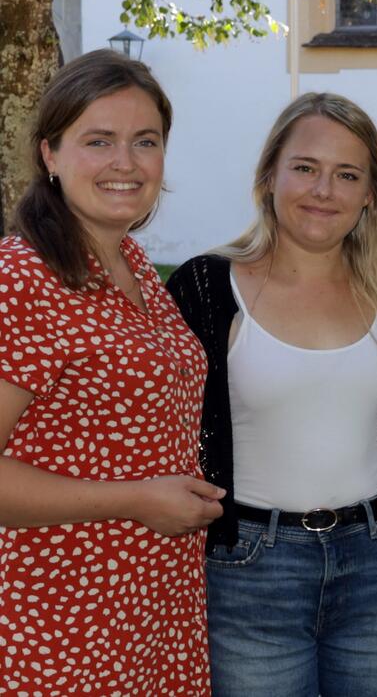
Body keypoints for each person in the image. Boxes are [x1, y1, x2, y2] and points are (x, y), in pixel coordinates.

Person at [166, 93, 377, 697]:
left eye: (347, 175)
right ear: (269, 177)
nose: (323, 190)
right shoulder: (207, 287)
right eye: (305, 167)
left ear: (370, 196)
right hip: (252, 569)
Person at [0, 50, 221, 696]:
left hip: (153, 614)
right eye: (99, 140)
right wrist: (134, 499)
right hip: (60, 624)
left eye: (144, 141)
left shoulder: (134, 265)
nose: (126, 162)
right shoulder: (22, 276)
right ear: (50, 153)